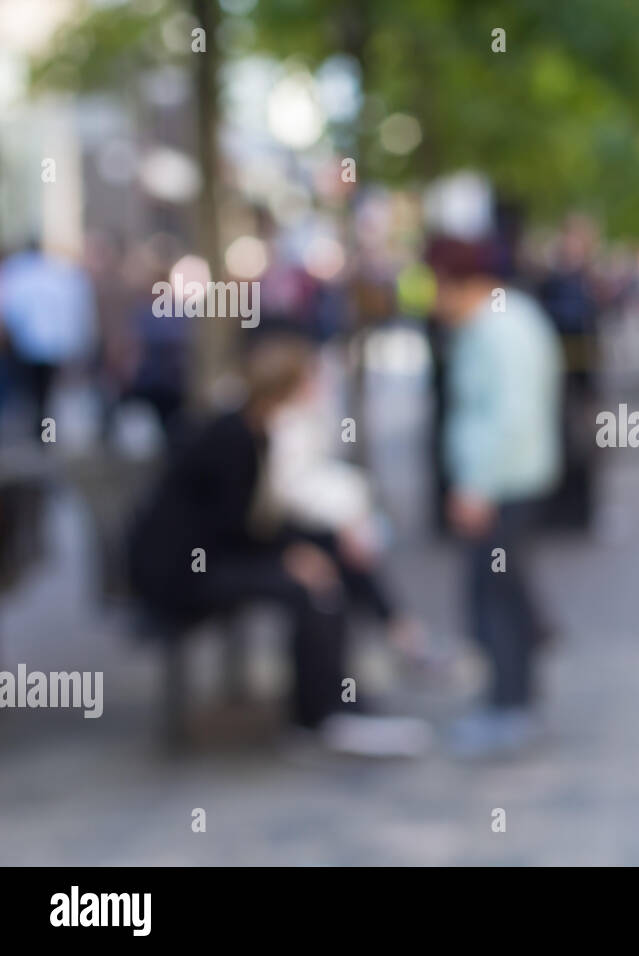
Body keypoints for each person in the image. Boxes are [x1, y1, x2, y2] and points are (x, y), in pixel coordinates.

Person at [127, 335, 431, 757]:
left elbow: (254, 522)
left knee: (329, 554)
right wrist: (291, 555)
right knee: (310, 588)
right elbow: (227, 527)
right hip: (180, 574)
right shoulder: (232, 437)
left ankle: (350, 689)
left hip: (214, 556)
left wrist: (315, 543)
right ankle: (318, 713)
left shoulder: (256, 431)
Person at [427, 236, 563, 759]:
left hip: (502, 482)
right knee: (503, 590)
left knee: (495, 594)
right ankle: (513, 700)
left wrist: (477, 485)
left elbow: (509, 416)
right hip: (511, 478)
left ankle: (510, 706)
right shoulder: (506, 320)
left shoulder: (499, 330)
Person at [0, 240, 96, 440]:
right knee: (44, 395)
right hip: (51, 344)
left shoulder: (18, 273)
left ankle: (41, 436)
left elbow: (11, 308)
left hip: (28, 344)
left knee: (36, 395)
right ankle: (43, 436)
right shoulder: (60, 274)